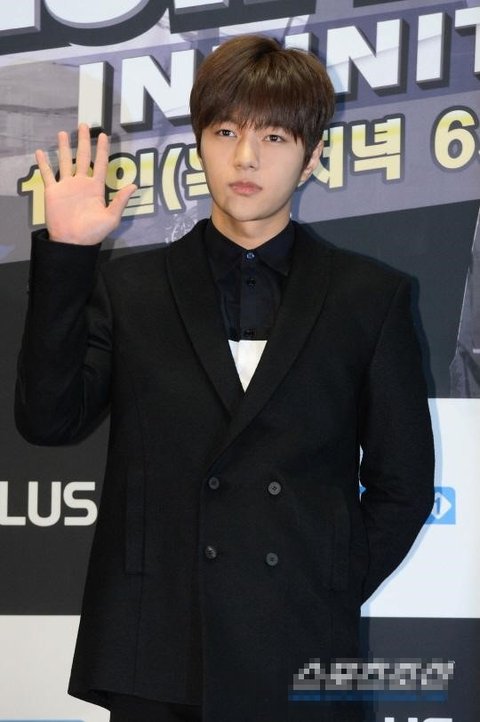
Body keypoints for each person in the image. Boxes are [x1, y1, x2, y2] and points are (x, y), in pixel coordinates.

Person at [15, 35, 434, 722]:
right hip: (157, 650)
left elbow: (404, 484)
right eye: (227, 132)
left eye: (274, 136)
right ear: (199, 143)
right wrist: (68, 257)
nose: (247, 158)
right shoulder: (132, 289)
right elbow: (47, 419)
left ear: (312, 157)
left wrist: (325, 585)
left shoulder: (370, 298)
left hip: (299, 648)